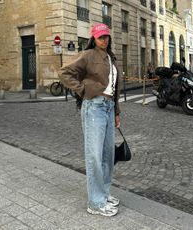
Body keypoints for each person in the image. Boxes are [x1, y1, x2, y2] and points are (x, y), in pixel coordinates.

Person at [58, 23, 121, 217]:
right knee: (95, 154)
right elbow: (64, 73)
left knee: (108, 155)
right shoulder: (88, 56)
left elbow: (114, 87)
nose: (105, 40)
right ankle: (95, 203)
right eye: (101, 37)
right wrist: (84, 90)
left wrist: (117, 111)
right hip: (94, 107)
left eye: (106, 36)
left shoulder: (111, 57)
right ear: (93, 38)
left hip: (109, 108)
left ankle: (104, 193)